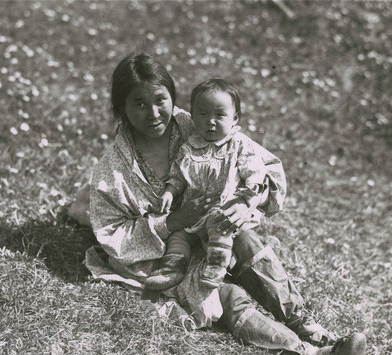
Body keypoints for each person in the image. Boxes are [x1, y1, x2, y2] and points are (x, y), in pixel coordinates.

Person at [88, 52, 367, 354]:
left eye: (160, 100)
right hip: (166, 257)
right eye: (139, 104)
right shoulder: (113, 170)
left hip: (219, 233)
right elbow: (111, 235)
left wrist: (247, 203)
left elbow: (265, 168)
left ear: (173, 97)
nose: (153, 113)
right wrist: (172, 221)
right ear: (121, 107)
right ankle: (308, 351)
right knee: (228, 296)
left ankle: (308, 326)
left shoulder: (197, 122)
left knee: (247, 240)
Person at [145, 78, 268, 291]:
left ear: (234, 118)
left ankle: (216, 265)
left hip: (222, 211)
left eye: (220, 115)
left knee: (219, 226)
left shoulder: (239, 144)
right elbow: (178, 175)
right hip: (192, 214)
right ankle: (172, 268)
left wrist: (250, 194)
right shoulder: (189, 147)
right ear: (193, 117)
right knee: (178, 235)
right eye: (203, 114)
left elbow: (254, 170)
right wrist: (169, 192)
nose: (211, 121)